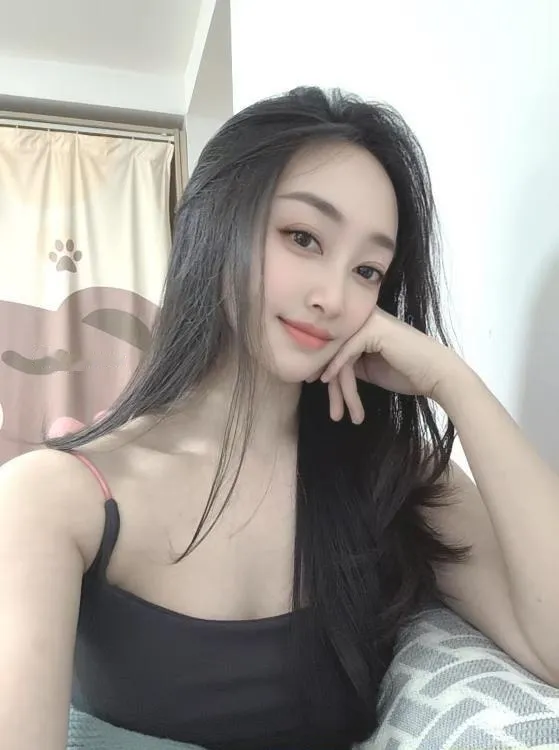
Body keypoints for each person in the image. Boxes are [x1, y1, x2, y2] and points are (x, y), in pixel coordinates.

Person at [1, 86, 558, 750]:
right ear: (215, 224)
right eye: (302, 237)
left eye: (367, 270)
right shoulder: (54, 497)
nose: (333, 296)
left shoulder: (389, 474)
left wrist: (454, 384)